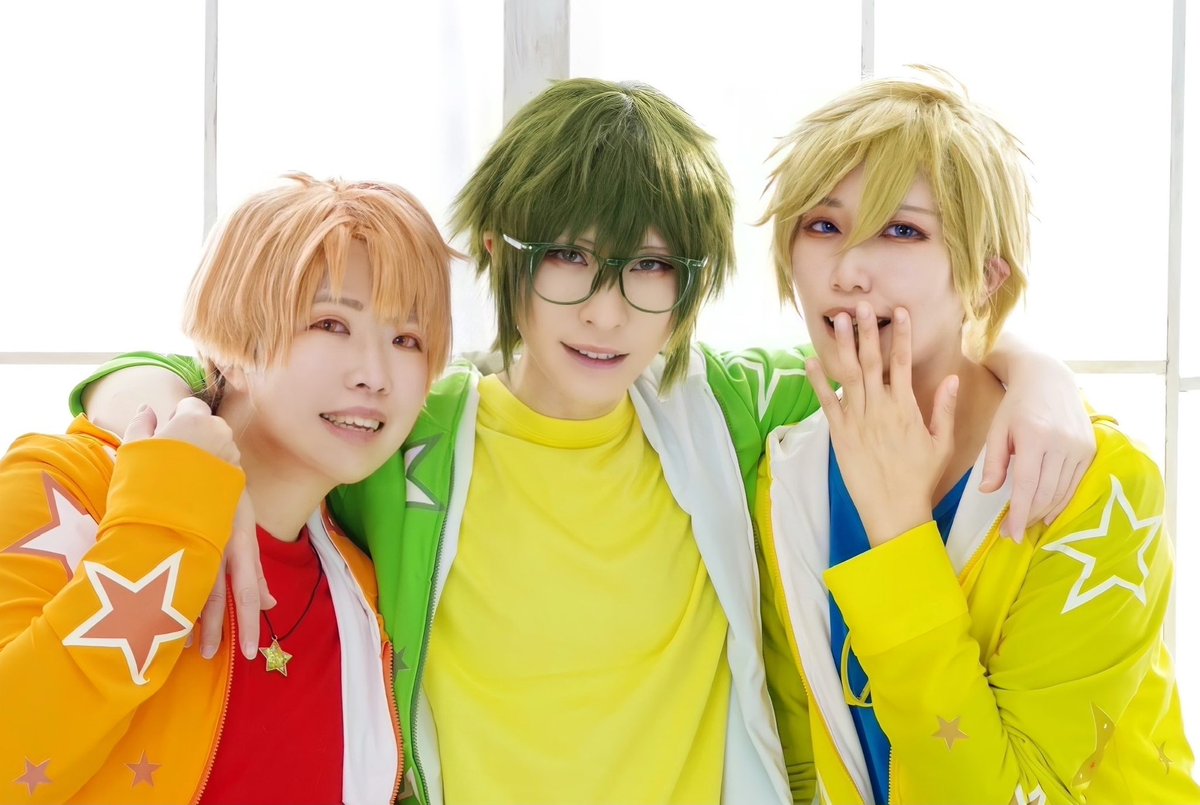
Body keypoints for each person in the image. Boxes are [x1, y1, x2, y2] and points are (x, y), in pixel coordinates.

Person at [74, 79, 1095, 805]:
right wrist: (173, 426)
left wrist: (1039, 378)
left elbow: (929, 359)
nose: (606, 311)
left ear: (690, 286)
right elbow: (208, 368)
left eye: (650, 268)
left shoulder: (728, 408)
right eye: (568, 256)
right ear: (499, 252)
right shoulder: (406, 432)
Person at [755, 68, 1199, 803]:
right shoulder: (786, 468)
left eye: (902, 230)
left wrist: (899, 535)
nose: (849, 270)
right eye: (823, 226)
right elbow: (795, 759)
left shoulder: (1099, 492)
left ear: (986, 277)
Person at [1, 173, 454, 803]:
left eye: (406, 340)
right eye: (330, 324)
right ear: (233, 342)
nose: (374, 376)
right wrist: (172, 515)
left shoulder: (358, 593)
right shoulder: (67, 490)